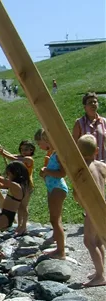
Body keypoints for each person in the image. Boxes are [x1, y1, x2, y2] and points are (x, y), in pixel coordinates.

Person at [74, 134, 106, 287]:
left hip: (92, 209)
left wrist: (82, 203)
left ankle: (100, 276)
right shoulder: (101, 165)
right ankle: (99, 271)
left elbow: (76, 193)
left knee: (89, 241)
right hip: (103, 206)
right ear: (97, 150)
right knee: (99, 240)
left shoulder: (82, 170)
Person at [36, 129, 67, 259]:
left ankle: (61, 252)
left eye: (42, 142)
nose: (42, 145)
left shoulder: (58, 154)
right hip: (52, 188)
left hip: (57, 188)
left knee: (55, 219)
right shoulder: (53, 153)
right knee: (55, 219)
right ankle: (59, 247)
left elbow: (62, 173)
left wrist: (47, 171)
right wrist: (45, 172)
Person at [0, 140, 35, 236]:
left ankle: (24, 226)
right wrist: (3, 152)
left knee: (24, 206)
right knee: (19, 207)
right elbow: (12, 156)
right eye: (22, 149)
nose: (24, 151)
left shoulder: (29, 159)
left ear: (31, 150)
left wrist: (4, 154)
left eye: (26, 149)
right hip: (19, 185)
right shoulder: (22, 157)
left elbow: (13, 158)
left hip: (27, 185)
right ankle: (19, 225)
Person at [72, 92, 106, 162]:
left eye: (95, 102)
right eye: (90, 102)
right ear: (85, 107)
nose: (93, 104)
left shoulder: (104, 122)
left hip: (102, 163)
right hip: (86, 165)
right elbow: (74, 145)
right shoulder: (79, 123)